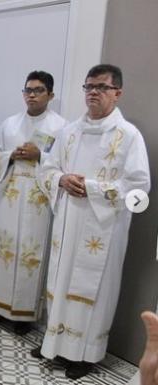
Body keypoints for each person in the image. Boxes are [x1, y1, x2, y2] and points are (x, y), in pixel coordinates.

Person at [33, 64, 151, 379]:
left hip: (103, 229)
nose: (93, 93)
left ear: (117, 93)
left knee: (90, 290)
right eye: (88, 87)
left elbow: (140, 189)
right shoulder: (69, 132)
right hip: (68, 222)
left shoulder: (128, 136)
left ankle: (84, 355)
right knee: (60, 281)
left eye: (101, 87)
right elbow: (46, 168)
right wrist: (60, 179)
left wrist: (94, 188)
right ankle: (54, 343)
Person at [0, 71, 67, 335]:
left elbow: (65, 161)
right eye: (28, 90)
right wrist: (10, 155)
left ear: (50, 95)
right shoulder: (10, 124)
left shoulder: (61, 127)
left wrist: (39, 154)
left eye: (38, 90)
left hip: (39, 197)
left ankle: (24, 314)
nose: (31, 95)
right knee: (5, 248)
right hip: (12, 192)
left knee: (31, 252)